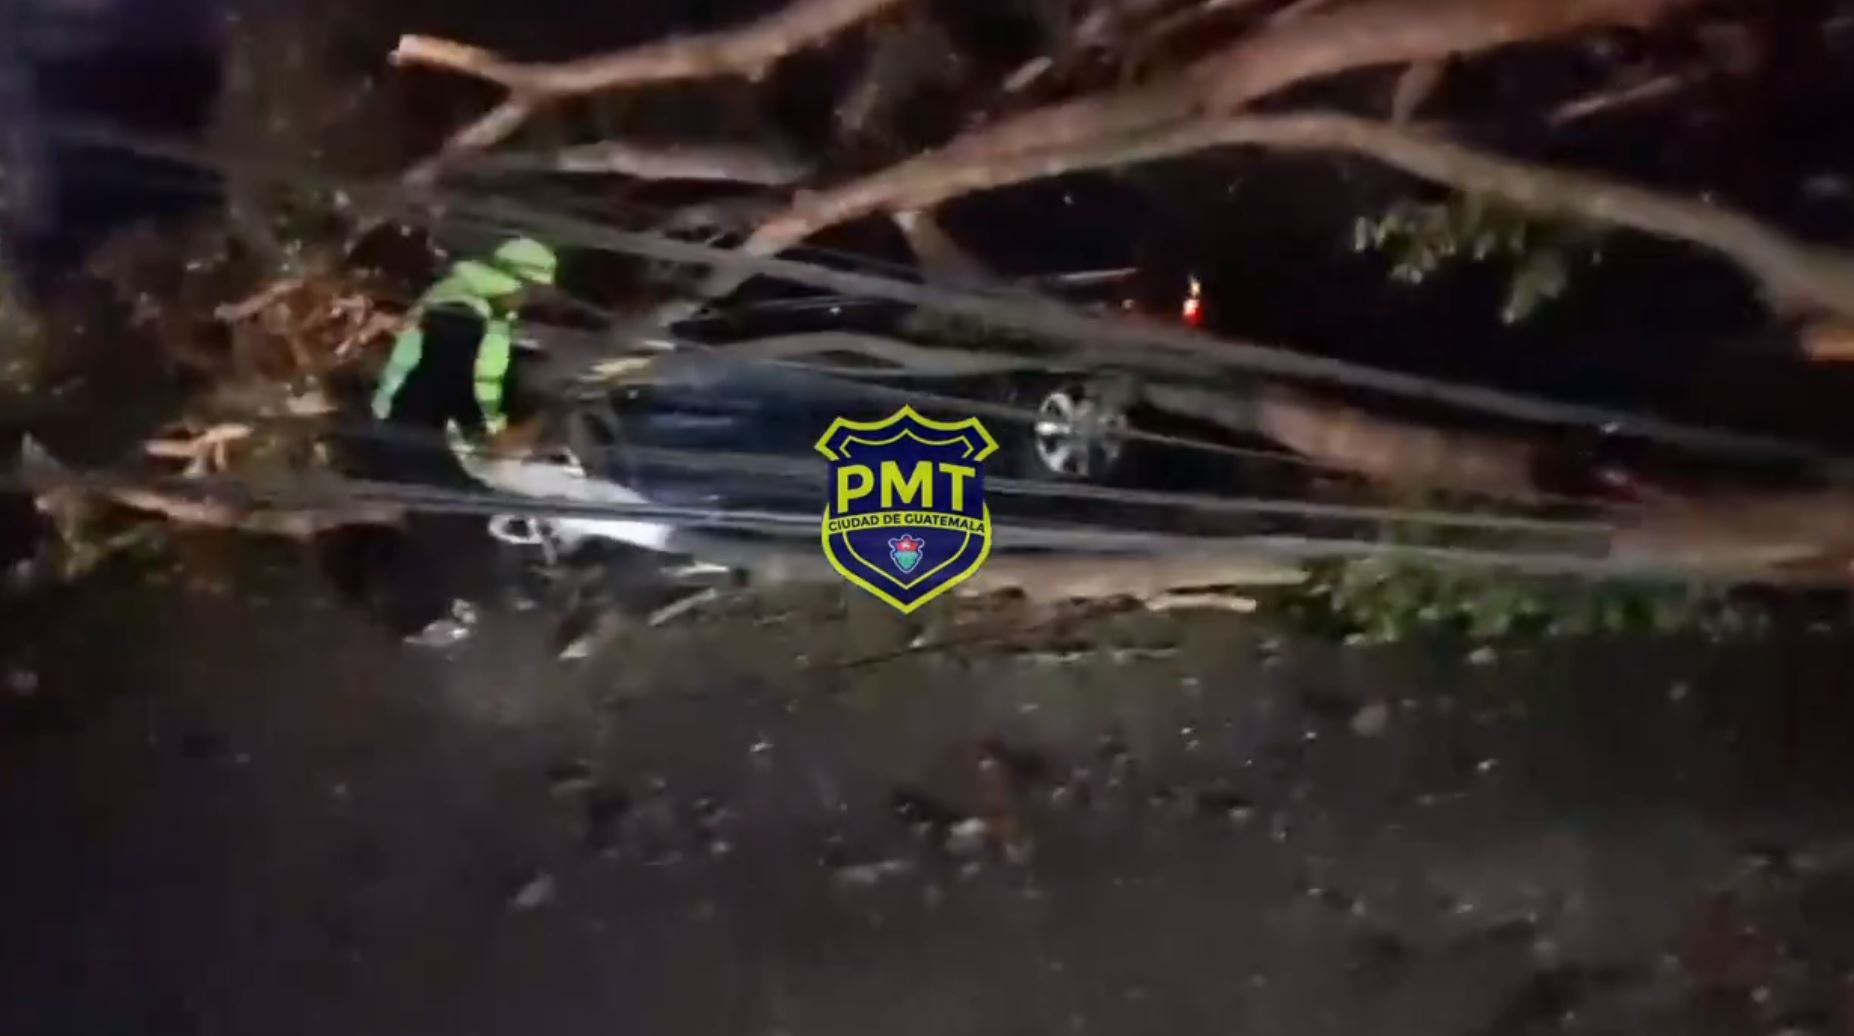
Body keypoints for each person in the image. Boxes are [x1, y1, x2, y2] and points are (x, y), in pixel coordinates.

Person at [335, 237, 561, 643]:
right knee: (453, 518)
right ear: (516, 281)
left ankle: (430, 602)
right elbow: (454, 385)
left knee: (456, 515)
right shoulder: (462, 311)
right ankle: (426, 610)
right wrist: (495, 433)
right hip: (412, 430)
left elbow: (480, 381)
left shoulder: (475, 305)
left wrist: (499, 427)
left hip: (417, 426)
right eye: (532, 291)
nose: (531, 301)